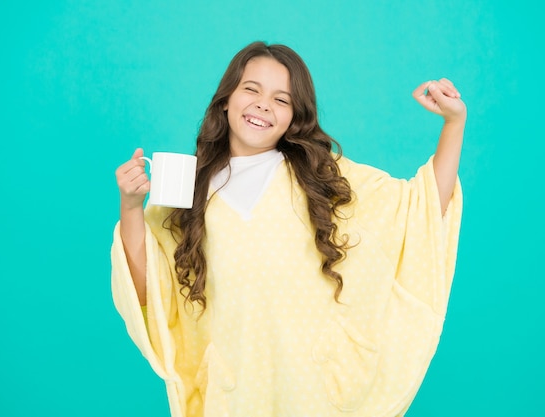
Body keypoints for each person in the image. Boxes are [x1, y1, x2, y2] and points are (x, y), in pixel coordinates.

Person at [111, 41, 465, 417]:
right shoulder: (186, 187)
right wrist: (132, 206)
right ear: (226, 99)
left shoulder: (323, 175)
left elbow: (421, 208)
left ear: (294, 116)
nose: (264, 104)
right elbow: (150, 290)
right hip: (234, 395)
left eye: (282, 99)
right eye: (251, 89)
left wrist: (454, 124)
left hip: (312, 396)